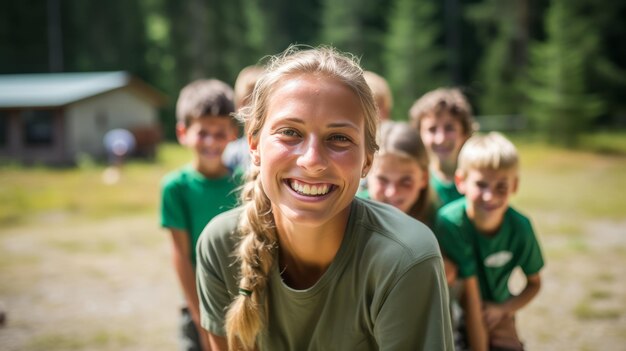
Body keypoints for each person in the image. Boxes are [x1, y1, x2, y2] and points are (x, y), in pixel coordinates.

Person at [196, 46, 454, 351]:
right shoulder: (221, 244)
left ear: (368, 160)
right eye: (290, 132)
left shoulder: (406, 258)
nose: (312, 160)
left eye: (339, 138)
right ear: (253, 144)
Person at [435, 132, 544, 351]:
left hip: (496, 313)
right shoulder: (451, 223)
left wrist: (504, 309)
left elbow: (534, 283)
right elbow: (470, 294)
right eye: (481, 184)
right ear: (461, 182)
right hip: (454, 312)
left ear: (514, 186)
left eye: (501, 187)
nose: (490, 196)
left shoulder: (521, 228)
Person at [160, 78, 241, 351]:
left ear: (233, 134)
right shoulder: (176, 188)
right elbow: (181, 256)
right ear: (183, 133)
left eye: (220, 133)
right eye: (202, 132)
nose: (211, 141)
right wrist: (202, 321)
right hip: (197, 305)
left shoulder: (244, 182)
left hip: (242, 302)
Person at [409, 88, 478, 206]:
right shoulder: (413, 183)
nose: (440, 139)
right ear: (419, 134)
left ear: (465, 133)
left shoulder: (480, 181)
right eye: (432, 129)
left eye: (449, 128)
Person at [222, 65, 265, 172]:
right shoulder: (232, 152)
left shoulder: (273, 147)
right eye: (251, 102)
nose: (257, 108)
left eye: (262, 102)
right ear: (240, 106)